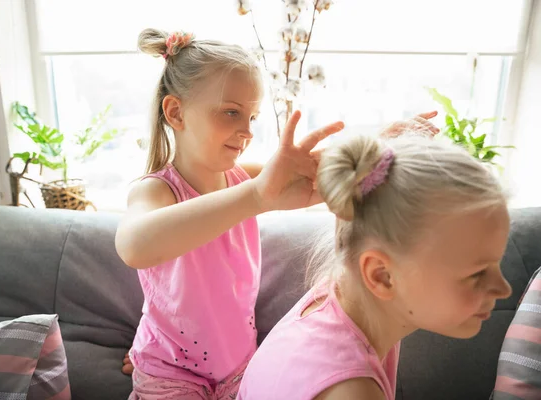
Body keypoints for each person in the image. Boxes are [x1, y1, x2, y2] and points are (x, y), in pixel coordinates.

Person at [115, 28, 344, 400]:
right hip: (170, 374)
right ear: (175, 113)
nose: (247, 131)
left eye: (251, 117)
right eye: (231, 112)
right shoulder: (157, 189)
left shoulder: (244, 176)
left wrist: (382, 148)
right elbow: (133, 247)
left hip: (240, 368)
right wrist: (254, 197)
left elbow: (325, 169)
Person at [237, 132, 513, 400]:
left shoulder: (339, 300)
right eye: (477, 274)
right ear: (381, 275)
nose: (504, 289)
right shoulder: (349, 391)